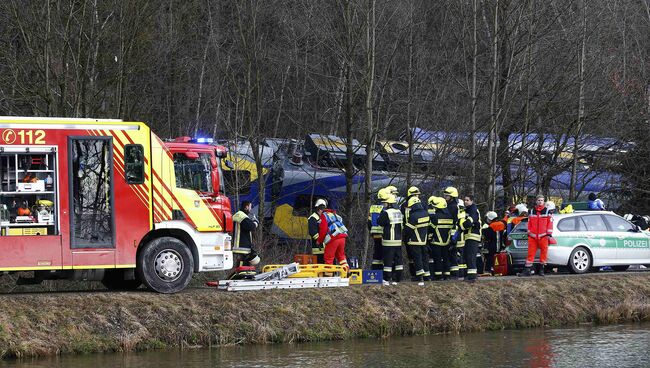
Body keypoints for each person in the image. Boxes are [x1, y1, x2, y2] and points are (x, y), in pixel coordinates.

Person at [518, 194, 553, 277]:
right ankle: (527, 270)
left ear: (543, 201)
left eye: (541, 200)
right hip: (533, 236)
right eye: (539, 200)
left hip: (543, 236)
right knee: (530, 254)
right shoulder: (531, 211)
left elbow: (550, 223)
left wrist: (549, 234)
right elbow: (529, 223)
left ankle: (541, 270)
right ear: (536, 201)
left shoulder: (547, 211)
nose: (540, 202)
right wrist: (529, 233)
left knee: (544, 253)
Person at [378, 191, 404, 285]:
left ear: (389, 203)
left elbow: (380, 222)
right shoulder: (399, 212)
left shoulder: (386, 213)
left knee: (388, 261)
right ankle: (398, 278)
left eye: (385, 203)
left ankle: (387, 279)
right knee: (398, 260)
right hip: (398, 240)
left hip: (389, 240)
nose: (383, 204)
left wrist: (380, 213)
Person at [231, 201, 261, 278]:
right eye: (250, 207)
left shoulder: (240, 215)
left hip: (243, 246)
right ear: (246, 207)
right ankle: (238, 279)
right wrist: (255, 221)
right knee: (241, 265)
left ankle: (242, 278)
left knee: (245, 265)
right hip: (241, 246)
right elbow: (251, 226)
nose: (251, 209)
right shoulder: (240, 215)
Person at [404, 196, 430, 285]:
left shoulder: (414, 216)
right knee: (425, 258)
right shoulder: (426, 213)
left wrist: (403, 236)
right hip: (424, 240)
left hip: (414, 241)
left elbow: (408, 229)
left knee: (417, 259)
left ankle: (419, 277)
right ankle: (427, 276)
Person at [316, 201, 349, 271]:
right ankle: (346, 271)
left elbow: (323, 230)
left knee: (328, 257)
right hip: (342, 237)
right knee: (341, 256)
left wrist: (319, 241)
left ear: (319, 210)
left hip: (334, 238)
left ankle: (328, 276)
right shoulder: (335, 215)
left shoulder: (323, 215)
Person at [428, 196, 454, 280]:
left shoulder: (435, 217)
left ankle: (438, 275)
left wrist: (429, 238)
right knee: (446, 258)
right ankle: (447, 274)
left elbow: (430, 229)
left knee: (437, 259)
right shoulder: (450, 217)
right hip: (446, 241)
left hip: (436, 242)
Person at [462, 195, 482, 282]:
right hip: (469, 236)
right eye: (465, 200)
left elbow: (469, 222)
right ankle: (470, 275)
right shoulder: (468, 210)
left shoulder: (473, 209)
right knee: (467, 255)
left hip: (473, 235)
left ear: (472, 201)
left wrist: (461, 226)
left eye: (467, 200)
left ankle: (472, 276)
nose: (465, 202)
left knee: (471, 256)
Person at [443, 186, 460, 277]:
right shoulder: (451, 205)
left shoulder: (452, 207)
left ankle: (454, 274)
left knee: (452, 254)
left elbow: (451, 220)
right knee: (451, 254)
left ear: (452, 197)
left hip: (452, 233)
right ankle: (452, 273)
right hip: (452, 233)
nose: (445, 197)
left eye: (447, 196)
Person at [368, 189, 387, 270]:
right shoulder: (385, 208)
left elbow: (369, 222)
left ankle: (375, 271)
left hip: (375, 234)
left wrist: (371, 231)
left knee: (377, 252)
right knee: (385, 253)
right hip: (383, 234)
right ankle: (385, 273)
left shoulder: (373, 207)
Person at [308, 199, 326, 263]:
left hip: (325, 247)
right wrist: (320, 240)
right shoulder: (313, 218)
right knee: (319, 263)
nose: (322, 210)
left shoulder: (323, 217)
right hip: (318, 247)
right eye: (321, 209)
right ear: (318, 208)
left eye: (323, 209)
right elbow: (312, 232)